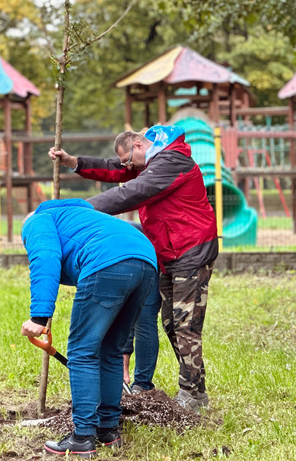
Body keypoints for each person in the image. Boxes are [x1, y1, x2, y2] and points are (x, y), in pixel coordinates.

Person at [49, 125, 218, 413]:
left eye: (129, 160)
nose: (127, 167)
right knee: (172, 324)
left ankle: (191, 394)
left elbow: (132, 192)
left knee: (185, 326)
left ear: (139, 146)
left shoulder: (171, 161)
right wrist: (74, 162)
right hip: (168, 252)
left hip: (191, 250)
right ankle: (196, 390)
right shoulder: (151, 160)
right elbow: (113, 168)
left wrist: (77, 211)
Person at [21, 199, 157, 458]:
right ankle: (108, 430)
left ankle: (83, 437)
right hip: (146, 262)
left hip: (106, 262)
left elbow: (45, 258)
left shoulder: (37, 221)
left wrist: (39, 317)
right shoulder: (82, 218)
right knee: (111, 350)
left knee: (82, 351)